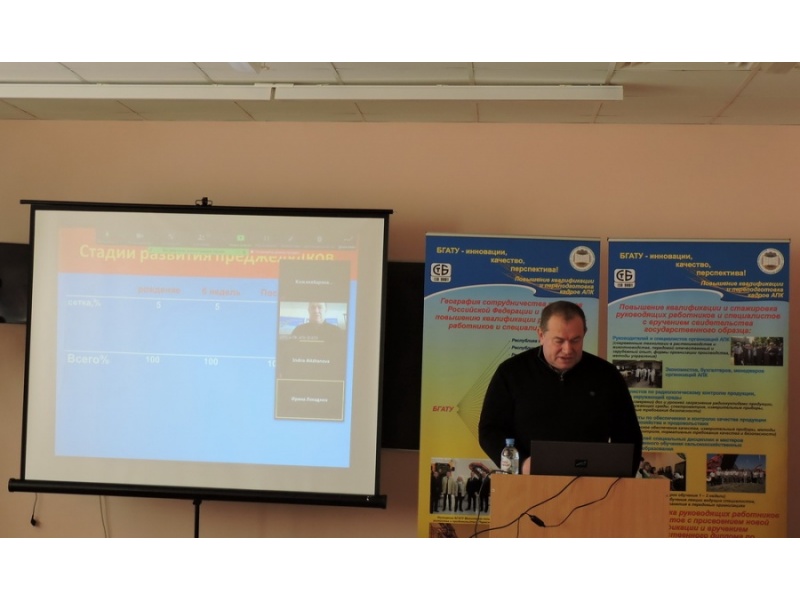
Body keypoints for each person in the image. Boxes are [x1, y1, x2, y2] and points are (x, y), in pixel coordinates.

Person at [478, 300, 642, 476]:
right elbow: (490, 430)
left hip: (592, 484)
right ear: (541, 335)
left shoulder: (607, 375)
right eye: (559, 341)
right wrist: (521, 465)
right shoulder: (512, 372)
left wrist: (621, 480)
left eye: (575, 340)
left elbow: (629, 435)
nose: (567, 349)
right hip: (527, 481)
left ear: (584, 334)